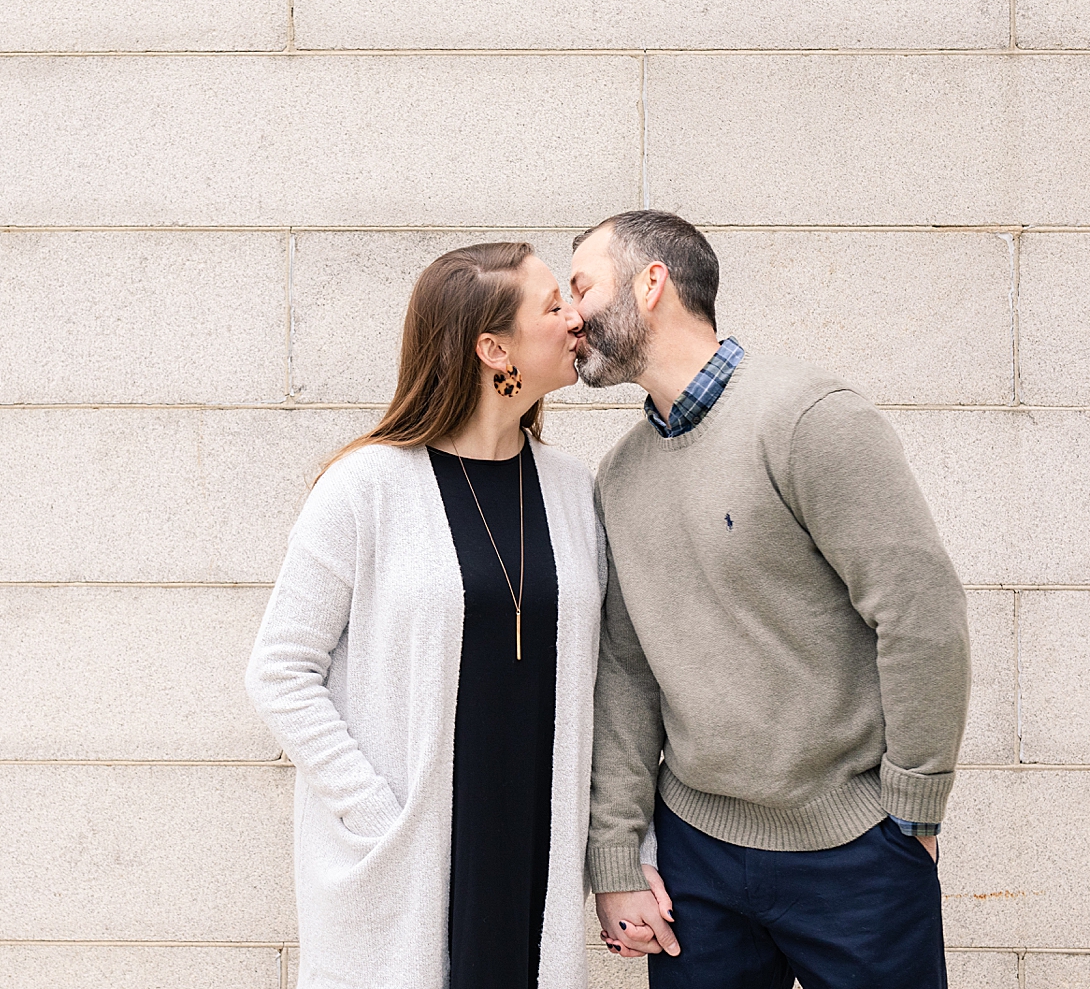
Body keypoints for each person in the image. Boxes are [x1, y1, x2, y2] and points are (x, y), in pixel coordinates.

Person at [246, 242, 664, 989]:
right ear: (492, 347)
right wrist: (380, 816)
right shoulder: (365, 487)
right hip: (416, 852)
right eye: (552, 304)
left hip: (532, 842)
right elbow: (280, 671)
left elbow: (611, 685)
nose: (578, 318)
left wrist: (625, 853)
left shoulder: (573, 491)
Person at [572, 210, 971, 988]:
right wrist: (616, 857)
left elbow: (920, 614)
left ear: (651, 284)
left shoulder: (809, 419)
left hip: (854, 854)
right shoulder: (618, 477)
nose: (569, 316)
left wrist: (913, 813)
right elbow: (624, 675)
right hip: (696, 859)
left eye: (582, 285)